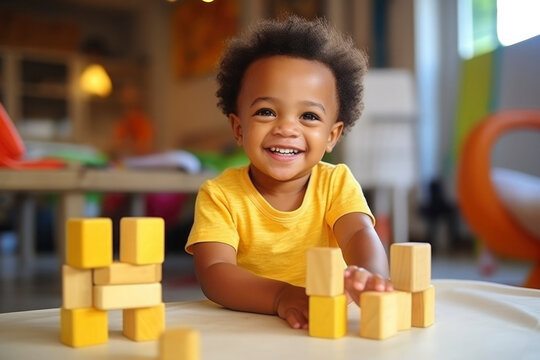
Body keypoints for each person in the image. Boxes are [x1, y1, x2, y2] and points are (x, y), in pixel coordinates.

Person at [185, 16, 393, 330]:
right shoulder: (220, 195)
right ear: (239, 128)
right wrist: (281, 295)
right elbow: (214, 271)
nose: (286, 128)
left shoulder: (335, 184)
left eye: (308, 116)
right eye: (266, 112)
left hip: (326, 319)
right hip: (249, 323)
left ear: (332, 136)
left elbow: (359, 234)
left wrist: (370, 274)